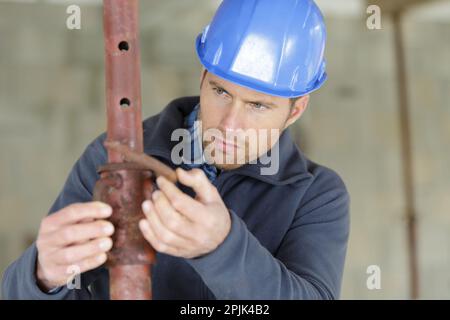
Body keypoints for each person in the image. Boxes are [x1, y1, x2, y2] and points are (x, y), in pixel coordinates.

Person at [2, 0, 349, 300]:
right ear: (203, 77)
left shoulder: (316, 195)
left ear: (296, 109)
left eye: (258, 106)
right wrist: (41, 277)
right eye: (221, 92)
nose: (229, 124)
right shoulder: (115, 155)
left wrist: (222, 248)